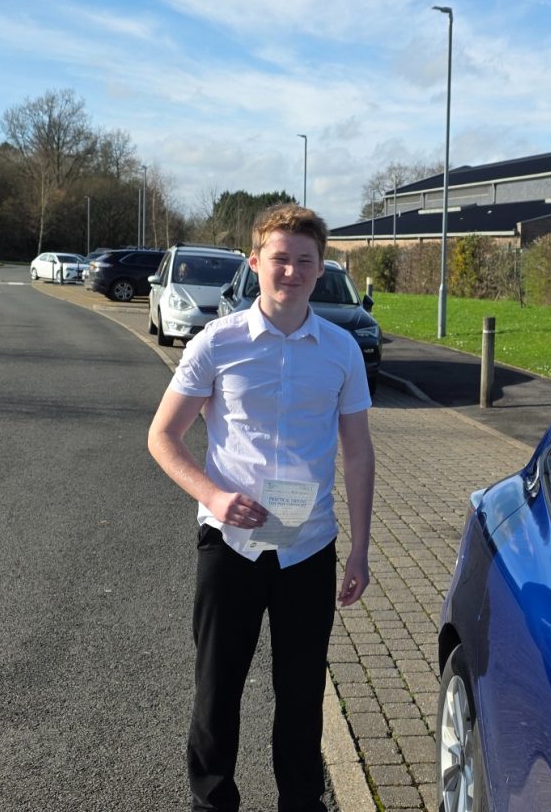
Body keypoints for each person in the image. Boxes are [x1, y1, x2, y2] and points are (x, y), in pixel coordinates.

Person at [148, 204, 375, 812]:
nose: (292, 271)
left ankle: (302, 802)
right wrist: (213, 495)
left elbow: (357, 451)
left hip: (308, 546)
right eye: (280, 259)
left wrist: (359, 546)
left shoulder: (341, 351)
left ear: (321, 267)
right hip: (230, 545)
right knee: (217, 690)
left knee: (301, 695)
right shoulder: (216, 343)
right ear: (256, 263)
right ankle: (212, 801)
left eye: (305, 261)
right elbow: (162, 437)